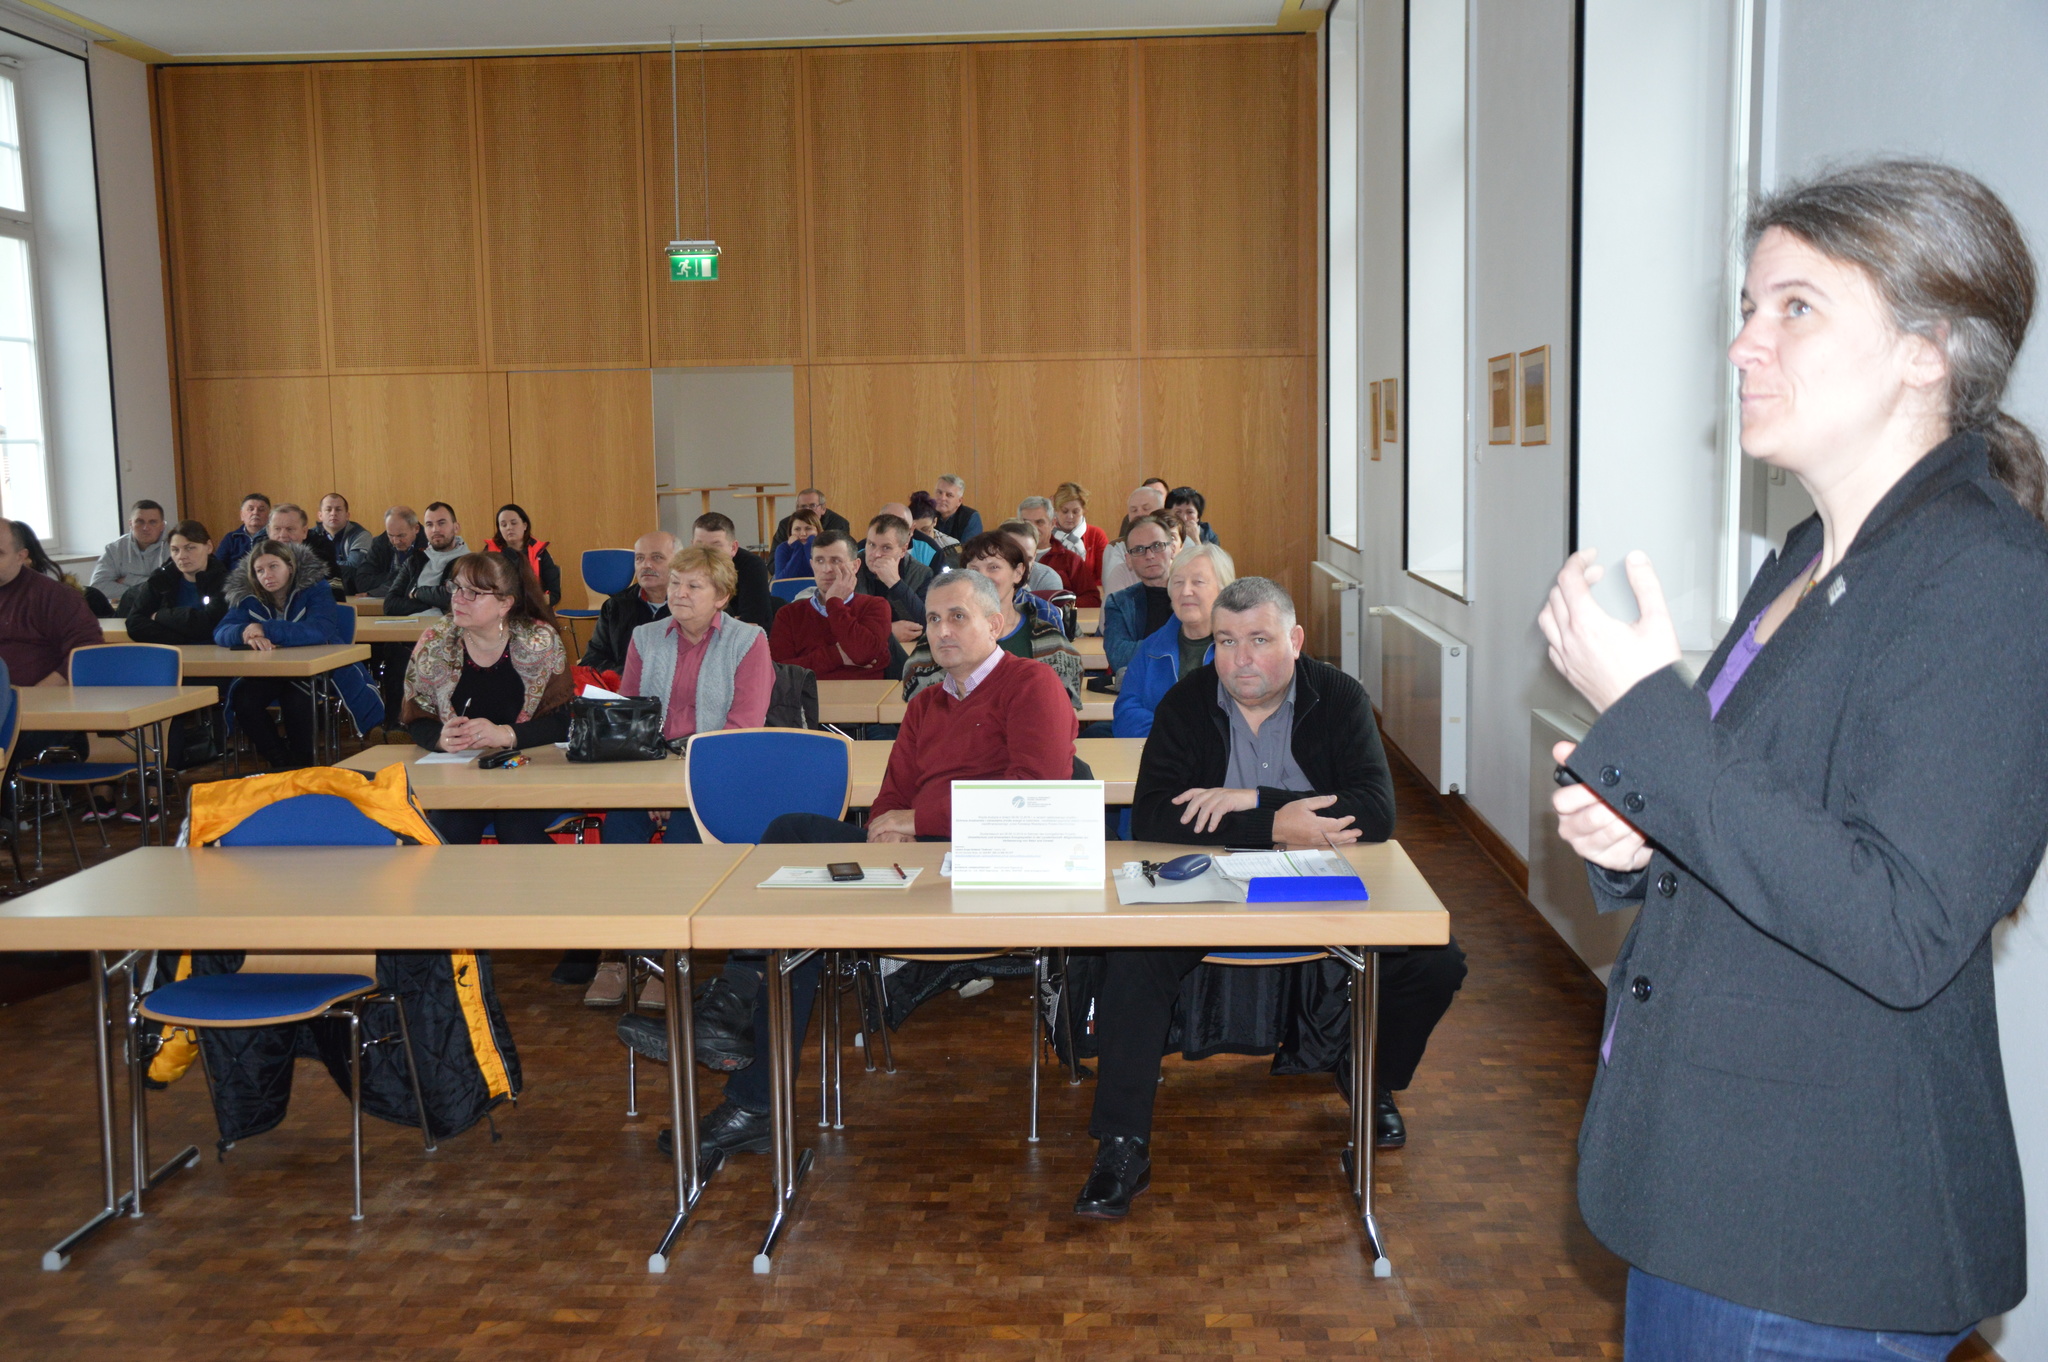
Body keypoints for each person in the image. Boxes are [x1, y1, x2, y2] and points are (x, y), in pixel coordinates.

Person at [1539, 161, 2048, 1354]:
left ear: (1925, 348)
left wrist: (1645, 716)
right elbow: (1766, 823)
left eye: (1794, 307)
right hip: (1712, 1181)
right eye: (1745, 307)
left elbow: (1900, 924)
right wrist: (1638, 832)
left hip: (1817, 1230)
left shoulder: (1982, 574)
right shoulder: (1807, 556)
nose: (1741, 345)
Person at [638, 568, 1077, 1163]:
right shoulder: (926, 703)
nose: (942, 631)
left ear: (996, 623)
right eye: (933, 619)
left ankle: (746, 1072)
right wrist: (887, 829)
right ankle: (737, 1020)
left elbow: (1037, 795)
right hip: (916, 863)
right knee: (792, 840)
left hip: (992, 871)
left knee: (794, 919)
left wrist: (917, 820)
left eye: (959, 617)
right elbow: (893, 795)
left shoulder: (1031, 684)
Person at [1078, 577, 1464, 1219]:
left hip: (1317, 881)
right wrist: (1275, 824)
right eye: (1227, 642)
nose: (1241, 659)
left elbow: (1375, 812)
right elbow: (1153, 815)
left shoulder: (1339, 698)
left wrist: (1254, 800)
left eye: (1259, 639)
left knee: (1436, 960)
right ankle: (1122, 1143)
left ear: (1295, 639)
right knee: (1133, 957)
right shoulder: (1186, 703)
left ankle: (1369, 1079)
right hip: (1212, 881)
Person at [583, 547, 777, 1009]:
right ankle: (616, 954)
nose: (679, 593)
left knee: (682, 846)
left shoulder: (749, 640)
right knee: (619, 836)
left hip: (717, 777)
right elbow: (628, 722)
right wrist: (655, 787)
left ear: (722, 597)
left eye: (693, 586)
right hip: (651, 771)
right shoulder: (645, 637)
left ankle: (664, 961)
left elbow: (741, 731)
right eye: (675, 584)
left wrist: (680, 789)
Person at [400, 551, 572, 845]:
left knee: (515, 826)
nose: (458, 599)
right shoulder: (436, 640)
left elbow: (562, 723)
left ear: (505, 604)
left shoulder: (539, 641)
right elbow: (417, 716)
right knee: (447, 830)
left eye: (474, 593)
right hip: (464, 777)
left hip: (535, 771)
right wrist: (441, 739)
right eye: (456, 587)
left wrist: (506, 734)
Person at [214, 539, 381, 768]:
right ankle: (281, 763)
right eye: (259, 570)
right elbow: (221, 631)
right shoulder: (247, 596)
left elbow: (320, 630)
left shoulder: (315, 588)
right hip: (270, 672)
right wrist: (244, 632)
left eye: (273, 566)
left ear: (290, 567)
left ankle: (303, 765)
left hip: (315, 672)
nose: (266, 575)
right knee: (244, 699)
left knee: (297, 697)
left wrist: (266, 629)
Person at [900, 535, 1080, 708]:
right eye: (974, 570)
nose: (982, 577)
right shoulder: (940, 638)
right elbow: (921, 708)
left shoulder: (1050, 641)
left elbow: (1062, 709)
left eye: (993, 567)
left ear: (1018, 572)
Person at [1113, 542, 1233, 738]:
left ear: (1223, 590)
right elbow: (1126, 713)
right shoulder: (1152, 648)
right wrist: (1173, 739)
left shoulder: (1239, 650)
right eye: (1177, 582)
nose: (1185, 591)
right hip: (1156, 751)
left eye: (1198, 582)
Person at [767, 530, 890, 681]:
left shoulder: (875, 606)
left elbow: (864, 655)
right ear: (812, 565)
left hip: (865, 694)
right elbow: (778, 673)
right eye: (820, 561)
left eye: (836, 561)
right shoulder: (788, 614)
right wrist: (836, 655)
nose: (827, 569)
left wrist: (834, 602)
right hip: (806, 696)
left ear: (855, 566)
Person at [580, 531, 676, 675]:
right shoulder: (615, 606)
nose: (646, 565)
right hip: (623, 685)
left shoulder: (690, 606)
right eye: (639, 558)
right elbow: (592, 660)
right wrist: (631, 676)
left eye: (657, 557)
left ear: (678, 563)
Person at [1102, 513, 1181, 678]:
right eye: (1139, 550)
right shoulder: (1119, 602)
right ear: (1129, 560)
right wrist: (1179, 643)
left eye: (1157, 546)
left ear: (1173, 550)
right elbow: (1119, 657)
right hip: (1140, 686)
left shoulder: (1192, 595)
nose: (1150, 555)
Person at [125, 520, 229, 645]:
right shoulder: (161, 578)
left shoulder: (225, 581)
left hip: (212, 653)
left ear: (209, 547)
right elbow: (134, 623)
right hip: (170, 650)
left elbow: (208, 625)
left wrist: (160, 616)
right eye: (175, 550)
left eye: (190, 548)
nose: (181, 556)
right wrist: (181, 640)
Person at [857, 513, 935, 669]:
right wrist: (888, 632)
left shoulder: (921, 574)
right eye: (871, 544)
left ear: (903, 550)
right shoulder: (852, 569)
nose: (875, 554)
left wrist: (895, 583)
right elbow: (843, 624)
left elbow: (926, 625)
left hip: (905, 659)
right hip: (861, 659)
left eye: (886, 547)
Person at [691, 512, 776, 630]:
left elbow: (753, 623)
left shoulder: (752, 565)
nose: (706, 553)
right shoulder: (684, 569)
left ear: (733, 548)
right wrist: (732, 622)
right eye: (700, 546)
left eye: (715, 546)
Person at [85, 500, 169, 616]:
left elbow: (171, 587)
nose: (146, 528)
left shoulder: (174, 547)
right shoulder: (115, 548)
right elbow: (98, 587)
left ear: (162, 526)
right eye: (139, 522)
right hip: (126, 611)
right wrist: (141, 593)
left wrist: (128, 580)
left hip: (163, 611)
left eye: (153, 522)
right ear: (130, 524)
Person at [384, 502, 469, 616]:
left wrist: (417, 592)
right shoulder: (414, 561)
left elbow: (452, 598)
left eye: (441, 523)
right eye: (429, 524)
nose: (435, 529)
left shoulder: (468, 563)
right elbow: (389, 606)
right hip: (410, 625)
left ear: (456, 527)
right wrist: (429, 605)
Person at [1025, 494, 1098, 604]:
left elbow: (1092, 599)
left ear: (1052, 524)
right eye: (1026, 523)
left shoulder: (1071, 560)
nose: (1033, 528)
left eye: (1039, 522)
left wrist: (1062, 605)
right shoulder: (1006, 558)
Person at [1098, 485, 1168, 597]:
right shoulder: (1116, 547)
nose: (1139, 514)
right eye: (1134, 510)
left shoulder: (1180, 541)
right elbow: (1115, 593)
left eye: (1146, 508)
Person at [486, 503, 562, 607]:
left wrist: (533, 601)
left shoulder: (540, 552)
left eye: (514, 523)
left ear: (525, 525)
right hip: (499, 609)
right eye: (503, 525)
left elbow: (554, 594)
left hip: (532, 608)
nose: (509, 528)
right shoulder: (489, 552)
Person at [342, 506, 427, 598]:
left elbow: (422, 582)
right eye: (390, 535)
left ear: (416, 529)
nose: (396, 541)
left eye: (401, 536)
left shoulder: (429, 544)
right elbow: (362, 582)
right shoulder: (380, 543)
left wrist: (380, 587)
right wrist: (402, 576)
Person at [1050, 481, 1109, 598]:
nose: (1070, 516)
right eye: (1065, 511)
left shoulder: (1096, 535)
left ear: (1083, 511)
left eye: (1075, 512)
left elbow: (1104, 577)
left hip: (1089, 599)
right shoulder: (1047, 536)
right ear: (1055, 510)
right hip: (1054, 600)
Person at [999, 515, 1066, 594]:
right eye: (1013, 556)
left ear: (1034, 556)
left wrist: (1023, 588)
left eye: (1028, 559)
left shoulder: (1047, 578)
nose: (1021, 566)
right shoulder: (986, 574)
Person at [308, 493, 372, 573]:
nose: (333, 513)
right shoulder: (309, 535)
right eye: (328, 510)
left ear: (347, 515)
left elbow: (353, 566)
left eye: (338, 510)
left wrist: (319, 564)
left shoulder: (361, 535)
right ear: (320, 515)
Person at [772, 487, 850, 547]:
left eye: (813, 506)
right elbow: (773, 561)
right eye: (803, 506)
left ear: (823, 508)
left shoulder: (839, 524)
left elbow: (841, 556)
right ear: (797, 509)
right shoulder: (785, 524)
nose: (808, 510)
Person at [215, 493, 270, 569]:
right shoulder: (231, 538)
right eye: (251, 509)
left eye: (261, 510)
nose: (255, 512)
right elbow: (218, 566)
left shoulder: (273, 537)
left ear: (269, 515)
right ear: (242, 515)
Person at [907, 491, 960, 568]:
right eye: (915, 531)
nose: (920, 535)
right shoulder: (904, 545)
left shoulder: (951, 545)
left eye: (925, 529)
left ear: (935, 521)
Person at [930, 473, 982, 542]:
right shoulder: (926, 514)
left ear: (959, 501)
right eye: (939, 492)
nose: (942, 498)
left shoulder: (970, 517)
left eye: (949, 495)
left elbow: (969, 548)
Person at [771, 509, 820, 580]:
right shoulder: (783, 548)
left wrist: (810, 545)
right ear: (790, 531)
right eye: (797, 529)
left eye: (808, 528)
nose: (803, 534)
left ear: (817, 530)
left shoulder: (824, 548)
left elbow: (821, 575)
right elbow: (782, 580)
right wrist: (798, 548)